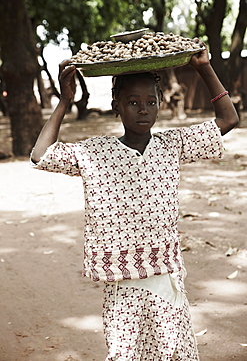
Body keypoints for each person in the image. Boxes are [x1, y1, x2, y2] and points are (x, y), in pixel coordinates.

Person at [31, 44, 239, 361]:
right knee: (125, 352)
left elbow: (228, 119)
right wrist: (64, 101)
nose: (143, 109)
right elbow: (41, 155)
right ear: (117, 106)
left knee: (173, 351)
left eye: (150, 102)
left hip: (165, 274)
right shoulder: (94, 152)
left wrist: (203, 68)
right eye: (132, 102)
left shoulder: (172, 145)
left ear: (159, 106)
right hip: (122, 280)